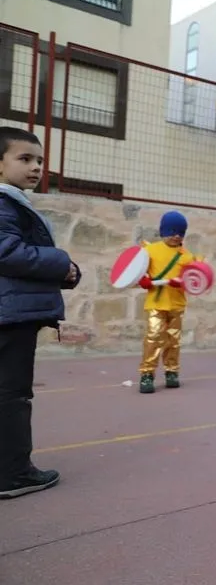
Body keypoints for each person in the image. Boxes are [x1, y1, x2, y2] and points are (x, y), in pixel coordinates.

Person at [0, 127, 81, 499]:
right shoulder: (4, 203)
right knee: (12, 394)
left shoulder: (14, 202)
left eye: (39, 161)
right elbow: (8, 252)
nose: (35, 167)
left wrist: (65, 273)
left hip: (12, 310)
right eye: (24, 158)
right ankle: (13, 474)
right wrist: (61, 262)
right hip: (9, 317)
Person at [135, 210, 198, 394]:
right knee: (153, 337)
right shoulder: (150, 250)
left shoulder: (187, 256)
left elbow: (195, 281)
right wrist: (143, 279)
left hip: (176, 305)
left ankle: (172, 371)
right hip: (156, 303)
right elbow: (139, 271)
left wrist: (183, 283)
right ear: (163, 231)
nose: (176, 236)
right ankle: (147, 373)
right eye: (172, 231)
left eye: (180, 232)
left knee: (173, 339)